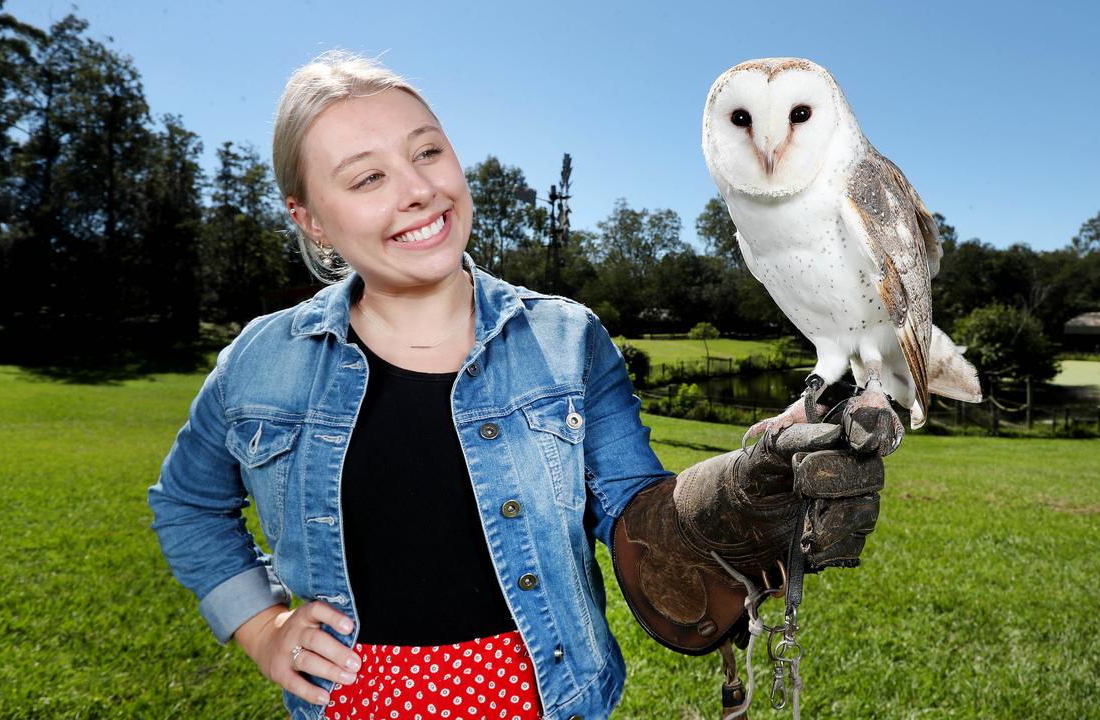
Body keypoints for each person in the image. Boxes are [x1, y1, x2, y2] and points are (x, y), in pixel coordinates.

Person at [148, 51, 886, 720]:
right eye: (368, 177)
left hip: (548, 696)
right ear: (309, 220)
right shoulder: (260, 362)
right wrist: (261, 625)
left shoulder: (568, 341)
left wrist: (721, 513)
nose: (418, 191)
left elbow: (636, 508)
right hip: (349, 706)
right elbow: (186, 503)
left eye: (428, 152)